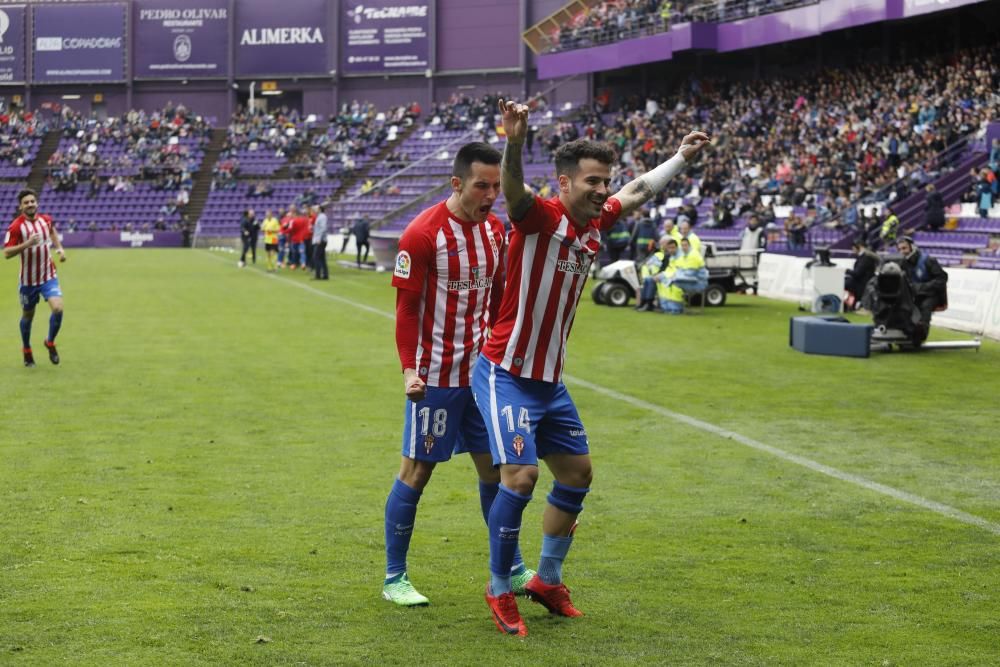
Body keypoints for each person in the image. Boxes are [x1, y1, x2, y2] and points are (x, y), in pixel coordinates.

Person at [473, 98, 708, 636]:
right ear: (563, 183)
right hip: (504, 371)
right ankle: (499, 587)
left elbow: (639, 189)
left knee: (578, 475)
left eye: (605, 180)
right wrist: (513, 139)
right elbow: (511, 189)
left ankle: (547, 580)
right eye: (592, 181)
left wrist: (680, 159)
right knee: (522, 475)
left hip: (549, 381)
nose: (603, 190)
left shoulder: (597, 220)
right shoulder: (539, 217)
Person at [382, 142, 534, 607]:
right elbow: (406, 310)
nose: (491, 195)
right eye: (481, 186)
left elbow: (500, 295)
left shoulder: (495, 230)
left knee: (498, 469)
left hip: (484, 376)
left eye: (495, 186)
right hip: (435, 377)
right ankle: (395, 578)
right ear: (457, 183)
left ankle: (511, 567)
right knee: (418, 471)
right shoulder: (422, 234)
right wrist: (410, 370)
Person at [3, 188, 67, 367]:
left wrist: (59, 249)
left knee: (58, 309)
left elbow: (52, 231)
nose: (30, 204)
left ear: (36, 203)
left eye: (32, 201)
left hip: (48, 276)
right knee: (28, 316)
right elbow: (7, 253)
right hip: (28, 282)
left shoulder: (45, 220)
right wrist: (28, 243)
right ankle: (26, 349)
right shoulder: (16, 226)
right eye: (26, 202)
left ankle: (50, 342)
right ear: (21, 206)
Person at [896, 235, 947, 339]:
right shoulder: (902, 263)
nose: (902, 251)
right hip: (914, 295)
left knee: (925, 307)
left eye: (904, 248)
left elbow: (942, 279)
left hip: (932, 295)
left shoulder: (928, 260)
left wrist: (920, 287)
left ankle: (920, 335)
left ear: (912, 246)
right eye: (900, 249)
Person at [843, 238, 879, 310]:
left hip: (863, 283)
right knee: (845, 281)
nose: (852, 249)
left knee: (845, 283)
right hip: (861, 280)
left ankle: (847, 305)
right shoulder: (864, 257)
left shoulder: (866, 258)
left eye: (853, 247)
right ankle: (848, 305)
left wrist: (846, 270)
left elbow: (857, 273)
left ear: (859, 246)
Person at [311, 203, 329, 280]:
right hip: (320, 239)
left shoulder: (322, 217)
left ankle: (318, 274)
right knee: (322, 258)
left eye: (316, 209)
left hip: (320, 240)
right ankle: (325, 275)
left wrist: (319, 238)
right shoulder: (320, 217)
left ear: (319, 209)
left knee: (316, 257)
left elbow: (323, 228)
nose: (314, 210)